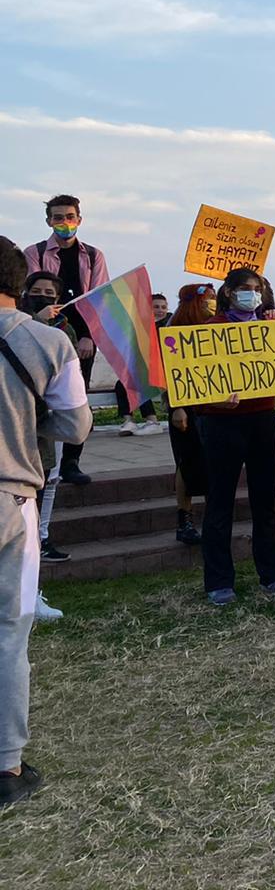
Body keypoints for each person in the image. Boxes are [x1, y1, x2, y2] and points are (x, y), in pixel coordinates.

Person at [0, 235, 92, 804]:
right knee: (9, 630)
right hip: (12, 493)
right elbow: (76, 426)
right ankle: (6, 763)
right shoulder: (47, 341)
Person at [192, 267, 275, 605]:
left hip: (262, 418)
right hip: (221, 422)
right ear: (229, 293)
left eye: (257, 288)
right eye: (245, 288)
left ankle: (273, 575)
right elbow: (194, 385)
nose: (252, 294)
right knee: (220, 501)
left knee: (266, 502)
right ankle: (219, 581)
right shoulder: (210, 330)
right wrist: (212, 399)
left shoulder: (269, 326)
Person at [24, 195, 108, 486]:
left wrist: (88, 336)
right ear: (49, 221)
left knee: (77, 396)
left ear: (79, 219)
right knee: (36, 395)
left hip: (79, 337)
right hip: (42, 331)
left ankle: (72, 461)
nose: (64, 222)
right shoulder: (34, 252)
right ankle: (38, 457)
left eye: (69, 216)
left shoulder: (93, 256)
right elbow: (35, 293)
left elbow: (99, 301)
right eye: (58, 217)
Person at [21, 273, 76, 563]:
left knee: (50, 478)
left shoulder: (65, 329)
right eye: (37, 290)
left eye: (49, 292)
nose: (44, 296)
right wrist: (38, 321)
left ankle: (41, 536)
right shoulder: (17, 325)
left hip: (51, 416)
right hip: (22, 417)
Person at [164, 285, 216, 546]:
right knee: (187, 463)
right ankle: (184, 520)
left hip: (215, 407)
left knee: (214, 463)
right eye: (208, 299)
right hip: (186, 408)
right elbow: (169, 374)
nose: (213, 303)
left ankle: (213, 518)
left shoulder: (218, 328)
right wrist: (177, 407)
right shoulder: (174, 333)